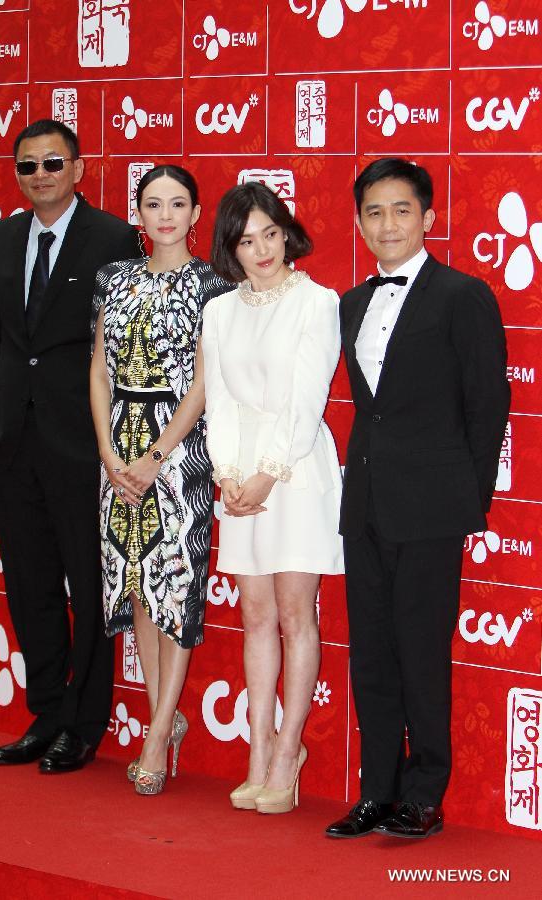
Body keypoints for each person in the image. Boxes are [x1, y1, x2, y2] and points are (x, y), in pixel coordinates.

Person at [325, 158, 510, 840]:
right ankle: (377, 790)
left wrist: (467, 499)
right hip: (365, 501)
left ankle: (423, 794)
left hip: (430, 506)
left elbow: (487, 403)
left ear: (428, 218)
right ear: (358, 223)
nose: (387, 224)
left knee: (420, 650)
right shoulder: (350, 301)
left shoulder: (463, 296)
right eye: (373, 212)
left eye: (400, 210)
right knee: (370, 652)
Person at [0, 119, 140, 772]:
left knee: (90, 584)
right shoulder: (3, 239)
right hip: (11, 439)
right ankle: (46, 713)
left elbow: (124, 349)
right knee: (30, 581)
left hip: (82, 444)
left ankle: (84, 723)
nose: (39, 175)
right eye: (27, 166)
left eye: (51, 163)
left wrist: (112, 441)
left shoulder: (113, 239)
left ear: (78, 168)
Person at [202, 182, 344, 815]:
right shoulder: (220, 311)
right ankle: (256, 753)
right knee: (254, 616)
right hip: (239, 481)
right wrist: (228, 473)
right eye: (243, 239)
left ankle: (289, 753)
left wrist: (265, 471)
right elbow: (222, 401)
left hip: (295, 471)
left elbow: (308, 400)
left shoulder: (318, 302)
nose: (259, 249)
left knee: (295, 615)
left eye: (268, 233)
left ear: (285, 231)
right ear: (230, 248)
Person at [90, 165, 231, 795]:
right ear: (138, 214)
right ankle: (162, 717)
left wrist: (157, 454)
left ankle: (154, 735)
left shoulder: (213, 286)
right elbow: (98, 369)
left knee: (174, 587)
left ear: (197, 214)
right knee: (138, 585)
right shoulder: (113, 279)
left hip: (179, 451)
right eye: (153, 204)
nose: (165, 214)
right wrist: (109, 453)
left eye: (178, 204)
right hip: (116, 452)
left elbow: (205, 381)